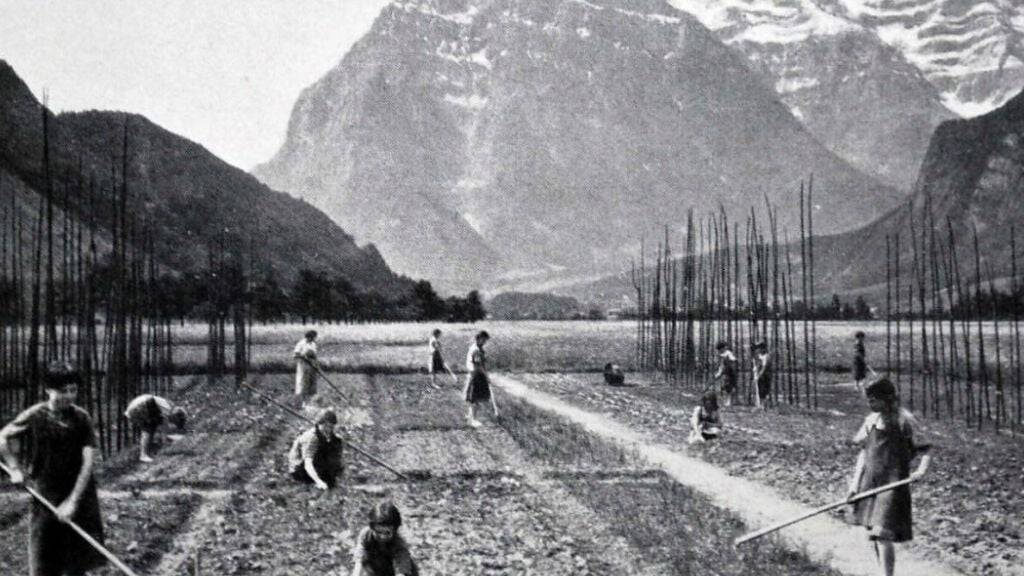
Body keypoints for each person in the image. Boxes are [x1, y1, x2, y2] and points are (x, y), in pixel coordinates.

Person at [0, 361, 107, 576]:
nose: (69, 396)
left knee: (76, 565)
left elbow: (88, 462)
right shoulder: (36, 415)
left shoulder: (81, 418)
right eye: (62, 391)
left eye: (73, 390)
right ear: (48, 389)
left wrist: (73, 502)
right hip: (45, 495)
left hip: (79, 494)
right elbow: (2, 437)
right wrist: (14, 469)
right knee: (44, 562)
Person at [847, 377, 932, 576]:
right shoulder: (871, 421)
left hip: (893, 484)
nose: (870, 404)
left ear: (888, 399)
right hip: (870, 483)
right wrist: (853, 485)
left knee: (882, 532)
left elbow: (926, 448)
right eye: (869, 400)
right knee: (874, 534)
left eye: (874, 400)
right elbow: (863, 453)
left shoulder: (904, 419)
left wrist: (921, 470)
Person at [352, 500, 418, 576]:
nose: (382, 536)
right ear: (372, 528)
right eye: (378, 532)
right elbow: (359, 562)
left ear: (394, 530)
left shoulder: (399, 543)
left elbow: (401, 570)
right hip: (376, 569)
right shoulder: (366, 535)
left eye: (387, 533)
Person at [287, 408, 344, 490]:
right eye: (326, 426)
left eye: (331, 427)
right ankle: (319, 481)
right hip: (299, 469)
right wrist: (319, 482)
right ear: (321, 423)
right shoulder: (312, 438)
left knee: (336, 442)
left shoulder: (326, 434)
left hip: (315, 464)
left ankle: (331, 479)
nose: (328, 429)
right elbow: (308, 464)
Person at [124, 393, 187, 463]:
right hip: (142, 404)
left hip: (137, 405)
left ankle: (148, 451)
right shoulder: (168, 409)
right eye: (176, 421)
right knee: (148, 429)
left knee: (152, 427)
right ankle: (143, 455)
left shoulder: (167, 407)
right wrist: (167, 438)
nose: (173, 422)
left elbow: (163, 426)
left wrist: (166, 437)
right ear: (176, 416)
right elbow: (164, 426)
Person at [464, 330, 498, 428]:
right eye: (484, 340)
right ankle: (473, 420)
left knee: (473, 398)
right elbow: (478, 366)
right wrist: (486, 376)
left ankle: (470, 416)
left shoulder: (477, 348)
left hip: (474, 374)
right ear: (479, 338)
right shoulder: (476, 350)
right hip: (476, 375)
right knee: (475, 398)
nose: (485, 342)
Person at [294, 330, 319, 400]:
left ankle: (311, 398)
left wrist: (316, 364)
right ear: (308, 337)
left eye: (314, 337)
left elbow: (315, 356)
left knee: (312, 382)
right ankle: (300, 397)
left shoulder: (313, 344)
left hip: (312, 366)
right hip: (303, 365)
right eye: (312, 337)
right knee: (302, 381)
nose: (313, 339)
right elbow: (296, 355)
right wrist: (304, 357)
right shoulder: (301, 344)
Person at [713, 341, 738, 406]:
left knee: (729, 387)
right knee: (723, 387)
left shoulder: (728, 353)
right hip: (725, 373)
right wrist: (719, 373)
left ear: (723, 348)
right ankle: (725, 401)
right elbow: (721, 365)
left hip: (730, 373)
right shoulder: (722, 355)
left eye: (720, 349)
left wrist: (730, 370)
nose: (719, 351)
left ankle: (729, 402)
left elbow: (733, 362)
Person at [752, 341, 772, 411]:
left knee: (765, 391)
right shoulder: (760, 356)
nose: (759, 350)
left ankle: (764, 406)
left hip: (765, 375)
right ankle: (761, 405)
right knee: (761, 390)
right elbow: (758, 365)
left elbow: (764, 367)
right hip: (761, 375)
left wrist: (758, 376)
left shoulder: (766, 356)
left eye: (760, 348)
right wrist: (756, 370)